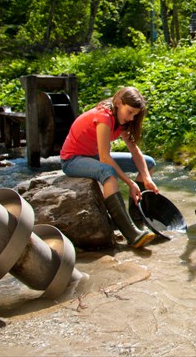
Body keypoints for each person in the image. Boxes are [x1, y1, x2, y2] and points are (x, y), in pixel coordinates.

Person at [60, 86, 157, 249]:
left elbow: (135, 150)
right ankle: (131, 233)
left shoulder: (123, 121)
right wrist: (130, 183)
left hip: (94, 156)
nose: (132, 118)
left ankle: (137, 219)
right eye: (130, 112)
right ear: (118, 103)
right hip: (73, 160)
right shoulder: (103, 117)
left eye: (135, 114)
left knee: (149, 163)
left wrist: (146, 178)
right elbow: (105, 157)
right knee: (108, 171)